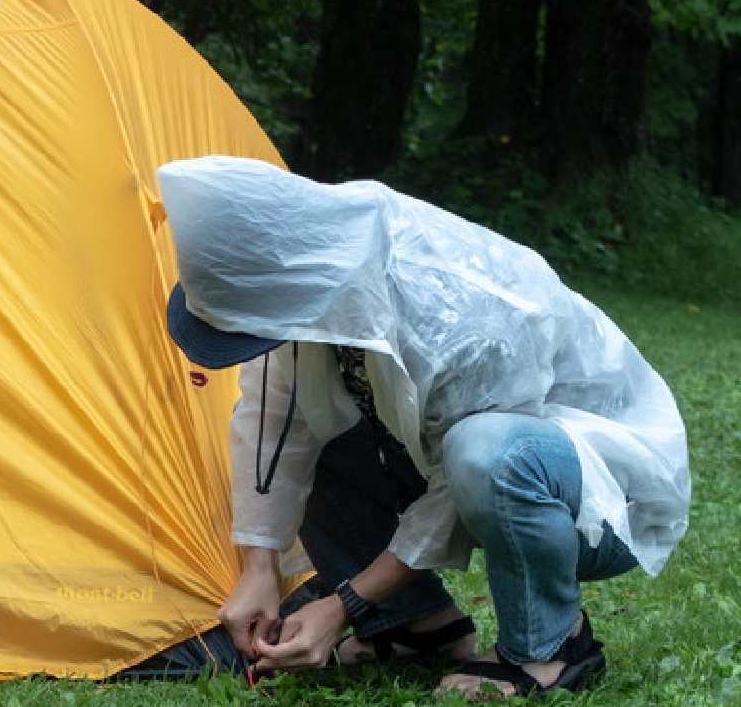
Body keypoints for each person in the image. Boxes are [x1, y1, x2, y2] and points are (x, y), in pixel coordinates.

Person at [158, 156, 689, 699]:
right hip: (467, 457)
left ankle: (549, 648)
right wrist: (259, 565)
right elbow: (273, 416)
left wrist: (342, 606)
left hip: (598, 494)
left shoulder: (460, 316)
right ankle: (417, 626)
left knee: (486, 452)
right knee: (340, 425)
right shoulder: (310, 270)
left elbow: (458, 490)